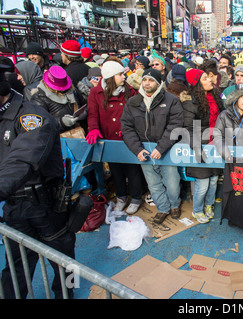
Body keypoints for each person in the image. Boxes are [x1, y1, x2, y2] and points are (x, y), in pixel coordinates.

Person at [0, 64, 76, 299]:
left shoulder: (31, 117)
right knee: (15, 266)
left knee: (63, 262)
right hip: (14, 206)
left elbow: (23, 160)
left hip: (45, 205)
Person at [121, 68, 184, 224]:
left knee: (172, 183)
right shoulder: (133, 102)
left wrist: (161, 147)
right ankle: (163, 208)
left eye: (151, 80)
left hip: (166, 149)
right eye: (144, 80)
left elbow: (175, 125)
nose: (147, 83)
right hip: (144, 150)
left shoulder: (171, 100)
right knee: (153, 184)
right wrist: (137, 149)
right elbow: (126, 128)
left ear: (159, 83)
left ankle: (174, 204)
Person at [85, 60, 143, 214]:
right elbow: (92, 114)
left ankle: (136, 197)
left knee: (133, 169)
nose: (123, 77)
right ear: (111, 77)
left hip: (129, 137)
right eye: (120, 75)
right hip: (109, 137)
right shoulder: (95, 93)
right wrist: (93, 129)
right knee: (116, 169)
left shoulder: (129, 91)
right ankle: (121, 197)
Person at [213, 84, 243, 232]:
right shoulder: (224, 115)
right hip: (229, 159)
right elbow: (217, 135)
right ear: (235, 99)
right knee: (230, 189)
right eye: (242, 97)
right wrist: (226, 153)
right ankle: (231, 217)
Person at [181, 68, 224, 223]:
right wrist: (197, 148)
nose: (210, 80)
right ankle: (197, 210)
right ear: (197, 84)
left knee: (213, 180)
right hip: (200, 146)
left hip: (216, 144)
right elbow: (187, 129)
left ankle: (209, 205)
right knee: (203, 183)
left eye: (209, 77)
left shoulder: (216, 96)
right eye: (205, 79)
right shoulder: (190, 102)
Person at [30, 65, 81, 133]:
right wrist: (62, 122)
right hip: (56, 138)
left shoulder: (73, 91)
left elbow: (83, 104)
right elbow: (40, 124)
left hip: (77, 134)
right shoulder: (39, 98)